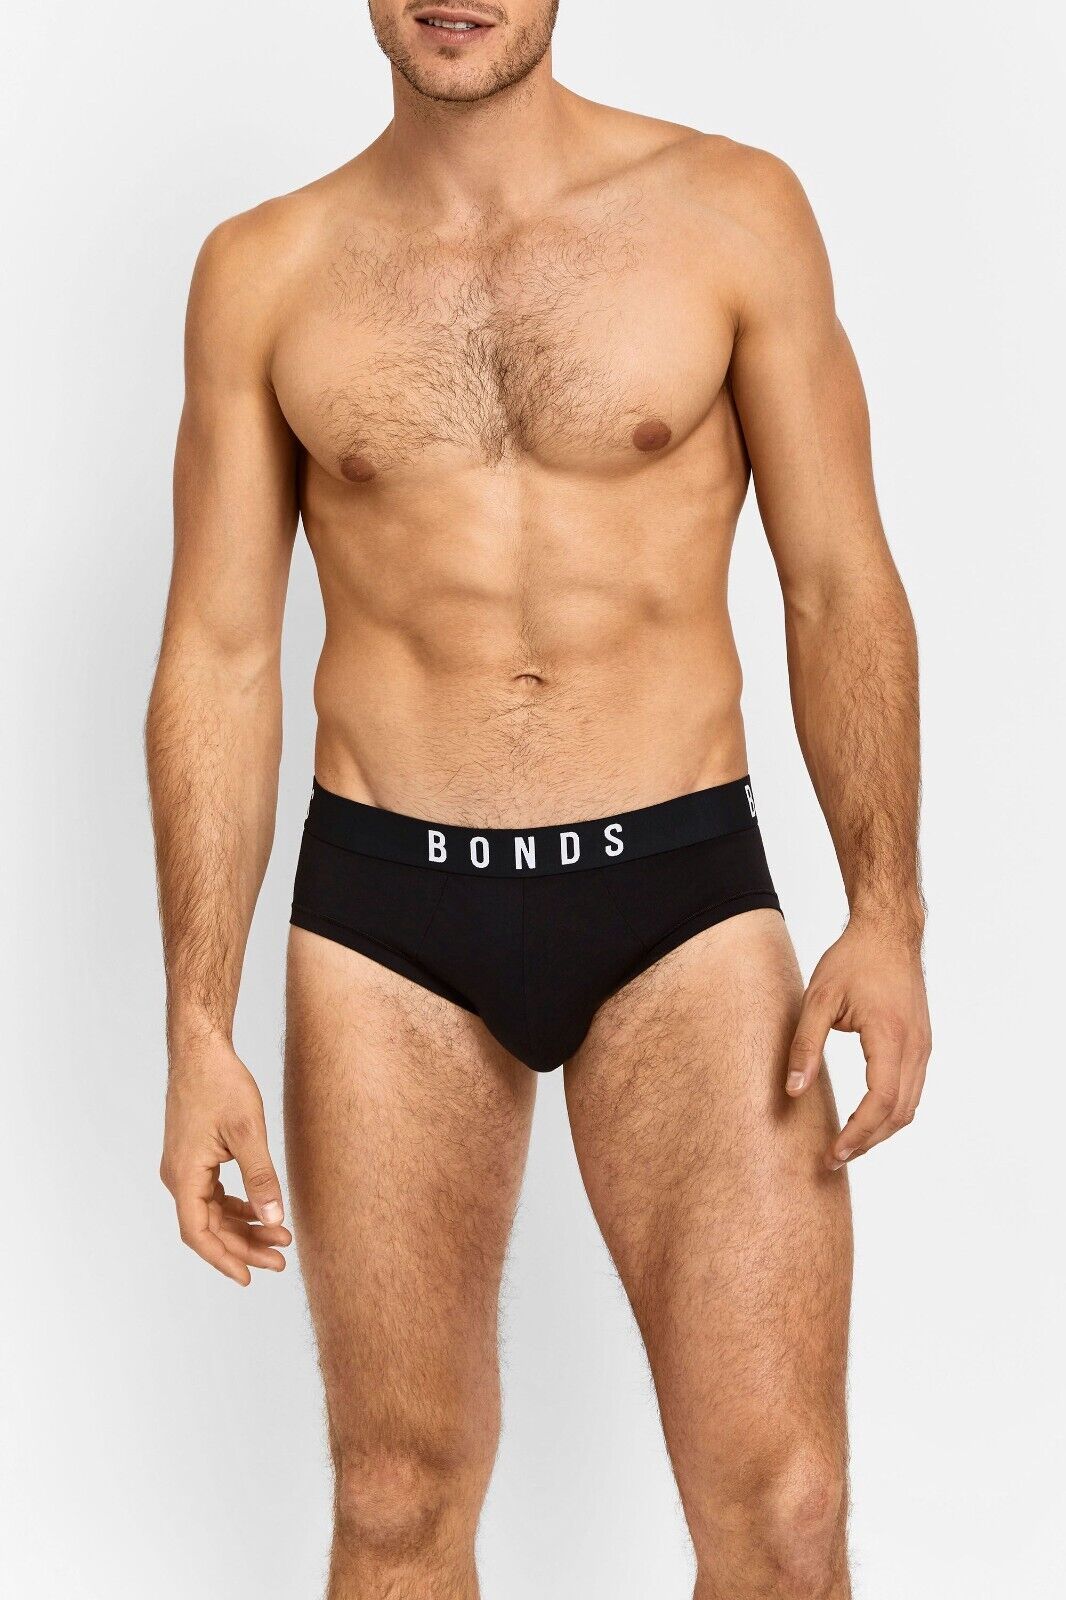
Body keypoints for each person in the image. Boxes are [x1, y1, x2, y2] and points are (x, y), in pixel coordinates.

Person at [146, 3, 931, 1595]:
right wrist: (195, 1023)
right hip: (386, 923)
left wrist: (886, 909)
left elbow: (837, 578)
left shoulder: (730, 211)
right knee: (394, 1503)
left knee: (785, 1513)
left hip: (680, 904)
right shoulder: (264, 270)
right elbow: (219, 653)